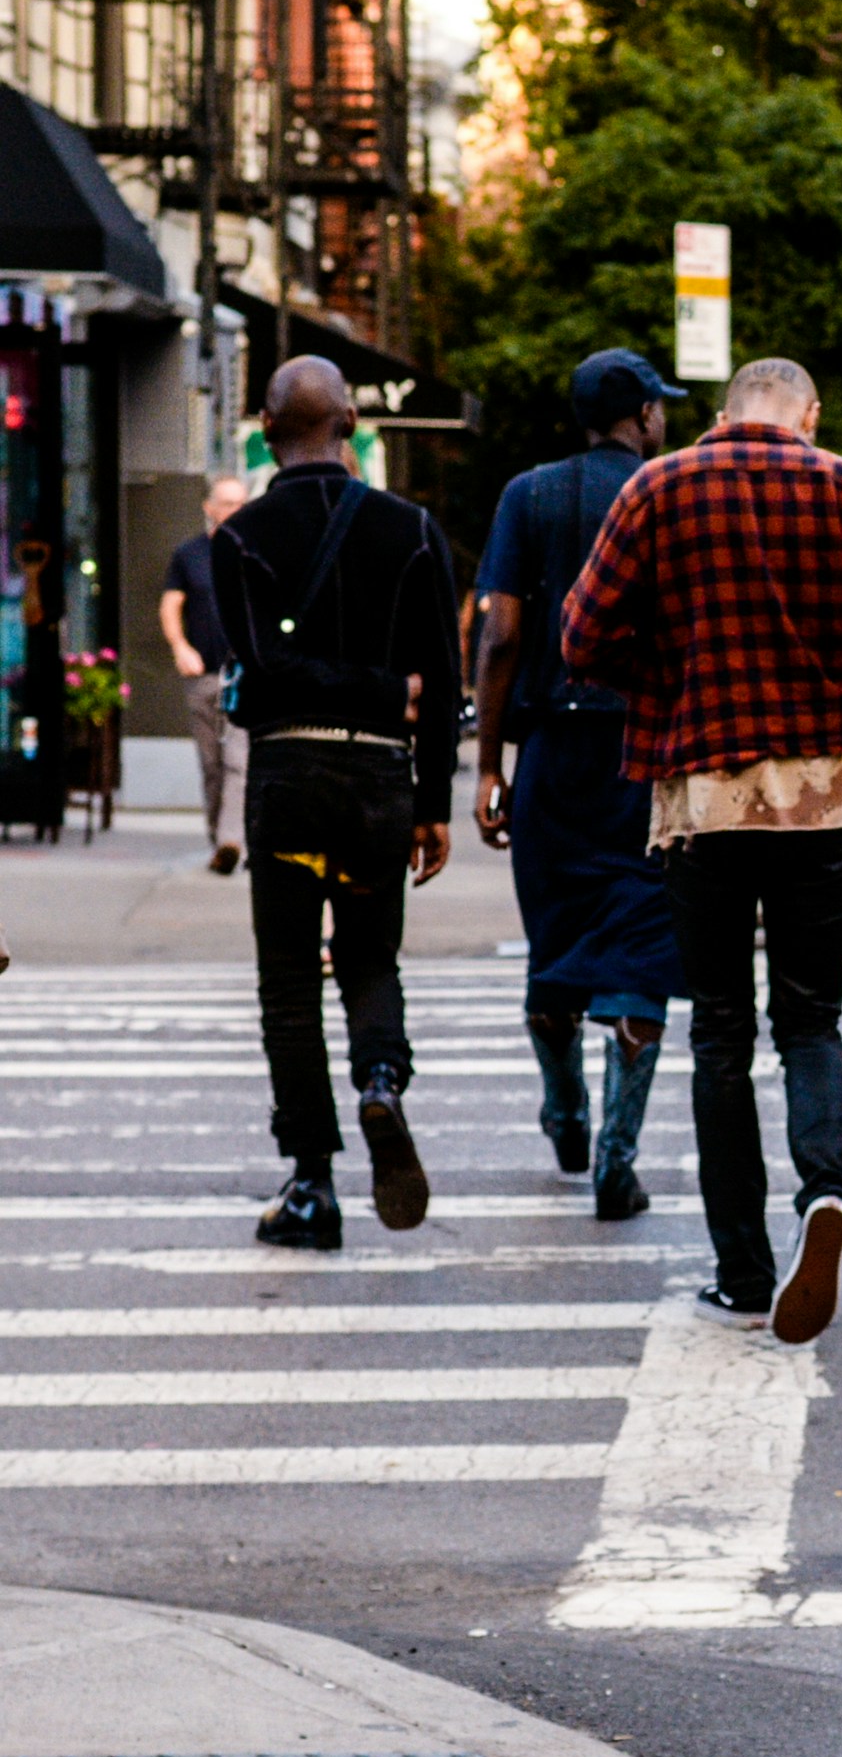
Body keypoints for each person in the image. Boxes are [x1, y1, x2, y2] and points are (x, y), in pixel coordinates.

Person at [562, 356, 842, 1343]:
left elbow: (580, 633)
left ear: (724, 411)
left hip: (703, 800)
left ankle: (741, 1270)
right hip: (823, 795)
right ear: (806, 415)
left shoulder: (656, 484)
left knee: (723, 1033)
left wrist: (664, 670)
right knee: (810, 1022)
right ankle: (831, 1195)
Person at [211, 356, 459, 1251]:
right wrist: (434, 799)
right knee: (368, 960)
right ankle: (381, 1083)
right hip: (378, 784)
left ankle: (311, 1181)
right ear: (351, 422)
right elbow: (446, 675)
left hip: (285, 780)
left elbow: (258, 667)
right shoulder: (413, 531)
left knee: (287, 984)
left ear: (267, 430)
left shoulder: (237, 540)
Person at [474, 349, 689, 1221]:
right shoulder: (670, 493)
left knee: (554, 940)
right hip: (649, 752)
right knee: (640, 945)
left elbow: (500, 637)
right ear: (639, 415)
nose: (664, 420)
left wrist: (488, 763)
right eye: (659, 408)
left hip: (552, 757)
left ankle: (564, 1109)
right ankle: (615, 1158)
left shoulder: (528, 495)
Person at [160, 475, 249, 873]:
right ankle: (219, 837)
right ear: (209, 507)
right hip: (203, 675)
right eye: (227, 503)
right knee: (212, 764)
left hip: (245, 676)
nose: (235, 511)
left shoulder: (254, 551)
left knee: (238, 761)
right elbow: (170, 605)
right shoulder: (189, 554)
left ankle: (232, 840)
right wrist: (180, 646)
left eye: (241, 504)